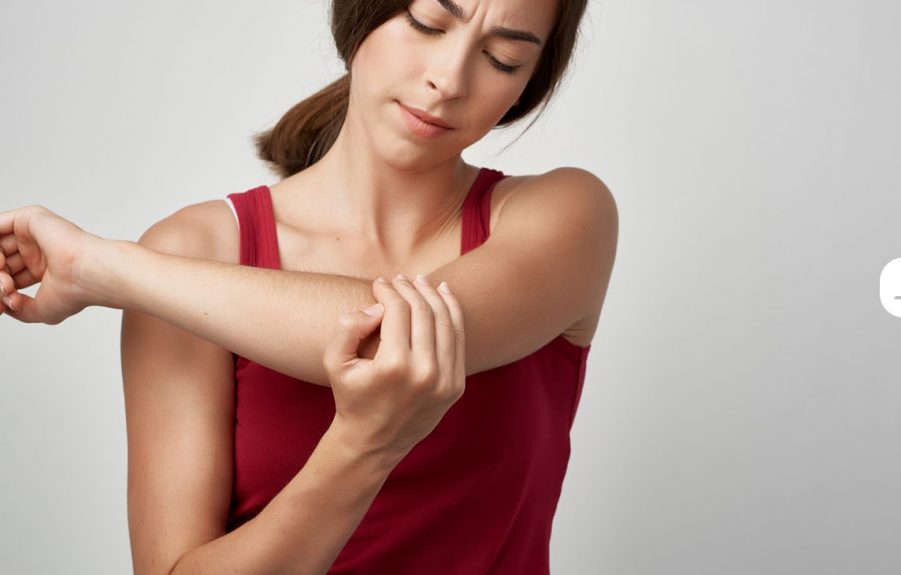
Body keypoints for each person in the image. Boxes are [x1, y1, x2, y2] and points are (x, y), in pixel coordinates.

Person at [0, 0, 617, 572]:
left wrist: (102, 268)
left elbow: (396, 339)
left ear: (528, 84)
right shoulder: (189, 252)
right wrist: (362, 446)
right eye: (427, 23)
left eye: (502, 58)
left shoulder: (565, 215)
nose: (449, 80)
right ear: (361, 15)